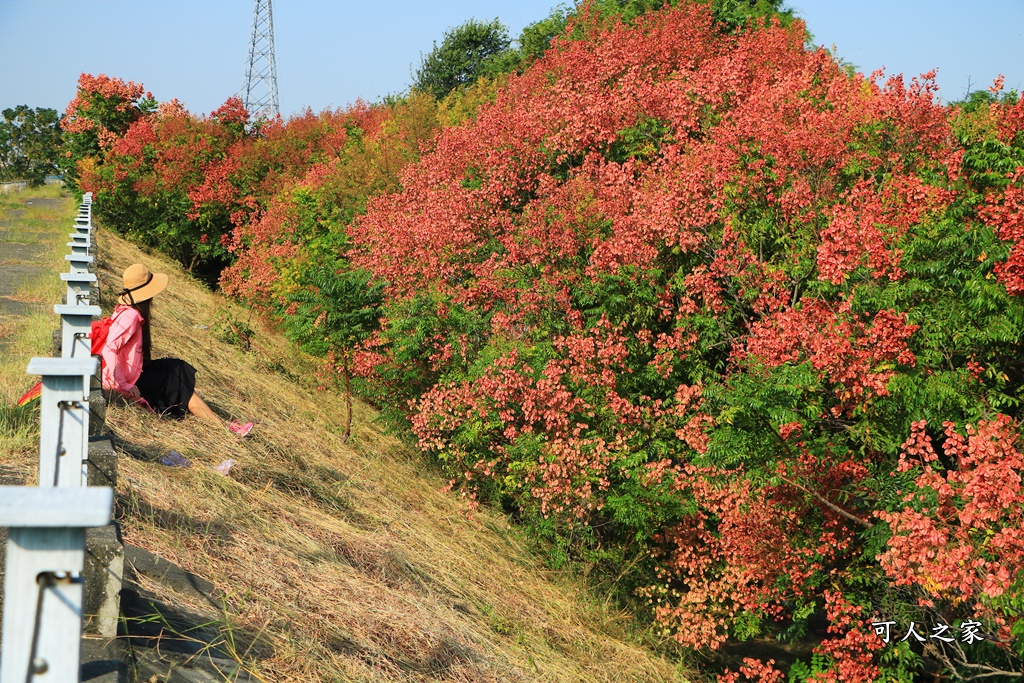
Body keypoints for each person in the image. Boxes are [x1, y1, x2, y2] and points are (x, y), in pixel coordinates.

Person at [101, 263, 253, 436]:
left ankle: (225, 426)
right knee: (178, 379)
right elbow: (109, 349)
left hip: (135, 374)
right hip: (130, 380)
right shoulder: (131, 316)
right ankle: (226, 428)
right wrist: (124, 385)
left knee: (175, 370)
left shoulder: (125, 311)